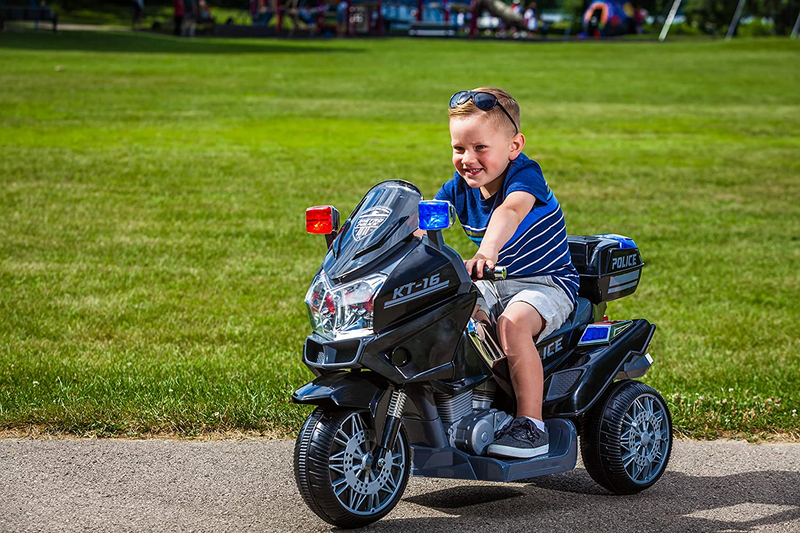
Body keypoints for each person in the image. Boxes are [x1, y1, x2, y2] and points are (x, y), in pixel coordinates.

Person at [434, 87, 579, 459]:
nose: (468, 159)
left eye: (480, 148)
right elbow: (420, 222)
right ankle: (470, 405)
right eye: (458, 148)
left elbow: (509, 213)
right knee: (451, 313)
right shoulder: (458, 189)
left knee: (512, 324)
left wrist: (486, 251)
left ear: (514, 146)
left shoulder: (525, 176)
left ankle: (532, 425)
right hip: (493, 283)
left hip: (546, 282)